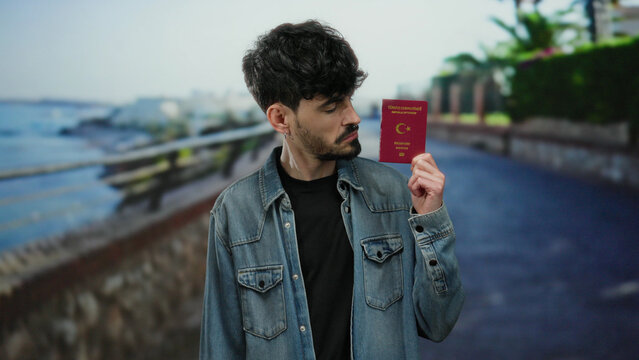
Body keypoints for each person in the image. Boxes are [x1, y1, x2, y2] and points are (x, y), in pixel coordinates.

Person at [199, 20, 464, 360]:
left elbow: (438, 322)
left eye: (349, 100)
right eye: (331, 107)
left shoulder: (392, 194)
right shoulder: (235, 212)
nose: (353, 116)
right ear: (281, 119)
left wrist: (432, 223)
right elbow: (220, 347)